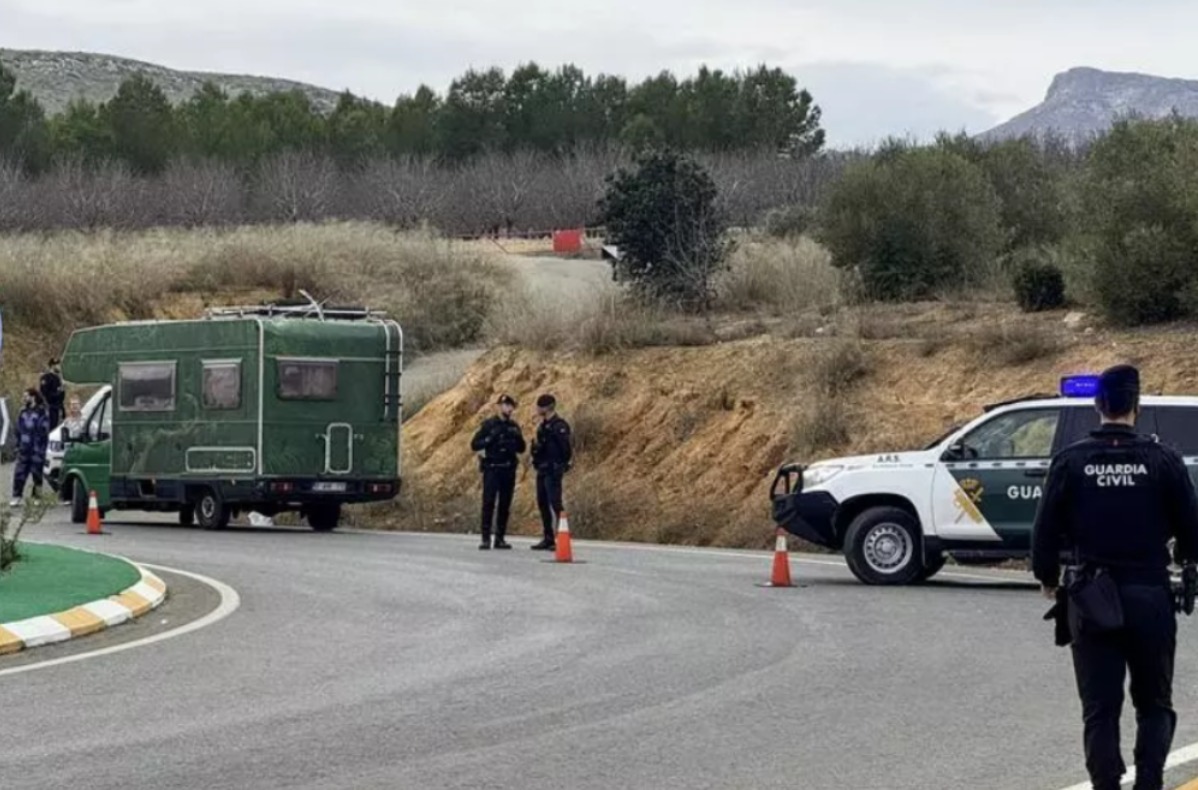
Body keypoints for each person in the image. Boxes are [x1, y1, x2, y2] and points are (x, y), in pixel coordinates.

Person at [1032, 364, 1198, 790]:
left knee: (1100, 708)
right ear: (1136, 408)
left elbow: (1045, 530)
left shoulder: (1070, 461)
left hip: (1090, 597)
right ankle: (1149, 782)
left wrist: (1047, 577)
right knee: (1154, 702)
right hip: (1150, 593)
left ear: (1097, 405)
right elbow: (1193, 529)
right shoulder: (1162, 459)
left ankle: (1106, 784)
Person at [470, 394, 526, 550]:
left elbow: (522, 449)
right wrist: (489, 439)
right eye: (505, 405)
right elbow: (474, 444)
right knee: (488, 503)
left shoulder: (514, 426)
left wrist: (518, 440)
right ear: (499, 407)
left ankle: (500, 538)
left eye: (510, 405)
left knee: (505, 504)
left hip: (508, 469)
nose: (508, 408)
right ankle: (485, 538)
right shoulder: (489, 425)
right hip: (492, 468)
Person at [529, 393, 572, 551]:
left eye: (539, 406)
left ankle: (562, 536)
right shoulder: (543, 426)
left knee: (555, 503)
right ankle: (548, 538)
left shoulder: (559, 426)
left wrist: (562, 464)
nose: (537, 409)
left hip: (553, 469)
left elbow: (565, 449)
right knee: (542, 503)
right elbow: (540, 448)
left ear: (546, 408)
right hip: (542, 468)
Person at [10, 389, 51, 507]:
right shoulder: (23, 411)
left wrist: (40, 447)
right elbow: (18, 429)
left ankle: (37, 497)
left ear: (33, 397)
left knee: (36, 474)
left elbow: (44, 430)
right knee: (19, 473)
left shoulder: (42, 411)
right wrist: (18, 444)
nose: (24, 398)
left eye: (26, 396)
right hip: (24, 448)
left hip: (37, 449)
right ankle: (16, 496)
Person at [40, 357, 66, 431]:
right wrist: (59, 391)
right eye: (57, 365)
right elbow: (45, 394)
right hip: (51, 408)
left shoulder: (58, 378)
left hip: (58, 408)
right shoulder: (46, 378)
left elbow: (61, 397)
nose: (59, 367)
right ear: (52, 366)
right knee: (52, 430)